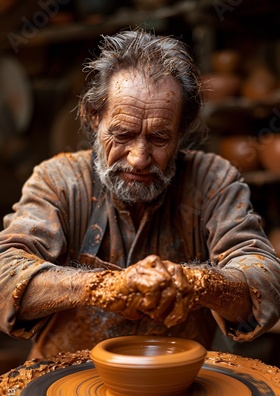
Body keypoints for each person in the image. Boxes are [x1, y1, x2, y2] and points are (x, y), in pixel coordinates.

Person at [0, 29, 279, 360]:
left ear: (181, 131)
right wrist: (100, 286)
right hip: (63, 386)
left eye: (160, 138)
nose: (139, 158)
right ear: (94, 118)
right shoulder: (58, 180)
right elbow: (5, 275)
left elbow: (265, 282)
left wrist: (194, 282)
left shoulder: (212, 179)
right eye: (123, 134)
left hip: (175, 387)